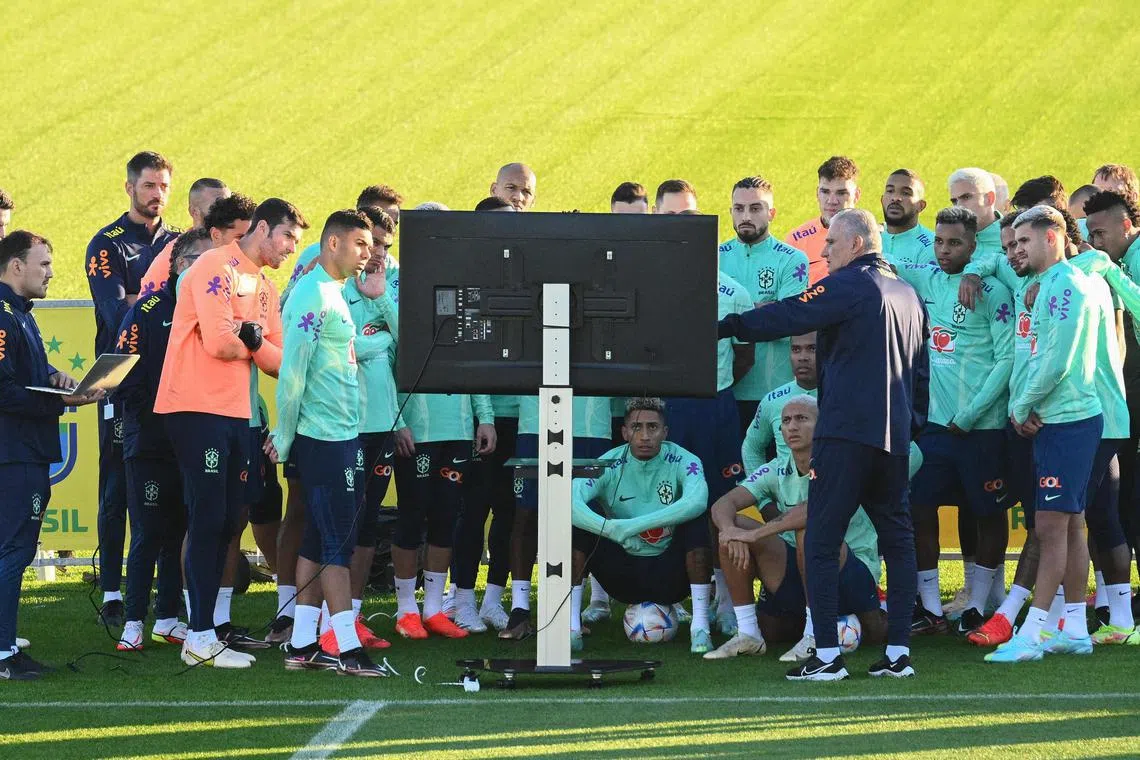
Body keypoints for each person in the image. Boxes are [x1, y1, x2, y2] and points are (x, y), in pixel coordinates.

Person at [720, 208, 928, 681]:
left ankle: (828, 655)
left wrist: (732, 326)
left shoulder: (850, 284)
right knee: (898, 542)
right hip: (892, 439)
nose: (824, 251)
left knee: (819, 538)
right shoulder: (910, 296)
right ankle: (898, 654)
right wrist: (910, 426)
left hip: (846, 435)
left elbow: (793, 311)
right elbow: (921, 375)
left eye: (831, 243)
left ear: (856, 244)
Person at [155, 198, 301, 668]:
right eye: (287, 239)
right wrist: (256, 343)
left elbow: (282, 362)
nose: (290, 250)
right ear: (261, 229)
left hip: (238, 413)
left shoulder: (265, 285)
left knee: (228, 520)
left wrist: (252, 338)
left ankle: (208, 629)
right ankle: (197, 635)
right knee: (208, 518)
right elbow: (218, 343)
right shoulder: (213, 267)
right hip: (195, 407)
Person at [986, 205, 1107, 662]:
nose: (1017, 250)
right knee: (1072, 524)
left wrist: (1021, 404)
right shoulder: (1054, 284)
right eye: (1014, 243)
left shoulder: (1066, 287)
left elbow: (1056, 360)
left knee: (1050, 527)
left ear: (1052, 238)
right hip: (1061, 420)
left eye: (1024, 242)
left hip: (1068, 422)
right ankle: (1074, 627)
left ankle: (1033, 633)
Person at [267, 210, 386, 676]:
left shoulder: (334, 293)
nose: (369, 254)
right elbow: (292, 374)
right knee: (338, 543)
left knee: (318, 542)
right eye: (360, 244)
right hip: (323, 438)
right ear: (332, 244)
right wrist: (285, 437)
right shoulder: (313, 296)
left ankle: (302, 644)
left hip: (341, 434)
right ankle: (348, 649)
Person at [707, 397, 910, 662]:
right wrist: (729, 532)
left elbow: (814, 510)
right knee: (734, 525)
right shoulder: (777, 467)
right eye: (786, 421)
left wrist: (754, 534)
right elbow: (724, 503)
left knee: (813, 532)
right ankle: (749, 634)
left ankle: (816, 633)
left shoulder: (842, 463)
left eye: (802, 419)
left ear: (822, 424)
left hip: (852, 568)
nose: (792, 426)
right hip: (803, 566)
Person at [894, 207, 1014, 636]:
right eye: (940, 242)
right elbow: (888, 260)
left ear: (973, 245)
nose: (945, 250)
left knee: (986, 514)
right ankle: (928, 606)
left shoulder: (993, 292)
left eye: (955, 243)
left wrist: (970, 414)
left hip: (981, 428)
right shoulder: (927, 278)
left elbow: (1007, 359)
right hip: (935, 429)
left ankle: (978, 603)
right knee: (920, 509)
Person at [1, 231, 104, 680]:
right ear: (16, 266)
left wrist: (55, 376)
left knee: (15, 550)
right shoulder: (4, 316)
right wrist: (61, 401)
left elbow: (24, 372)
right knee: (14, 551)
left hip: (25, 450)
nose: (50, 272)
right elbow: (3, 389)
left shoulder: (19, 313)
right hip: (15, 454)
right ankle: (4, 652)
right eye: (42, 264)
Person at [85, 151, 180, 627]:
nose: (157, 194)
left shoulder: (179, 241)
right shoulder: (107, 243)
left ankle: (165, 596)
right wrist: (149, 303)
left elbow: (161, 307)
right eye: (148, 185)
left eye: (163, 185)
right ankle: (110, 591)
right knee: (116, 488)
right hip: (120, 383)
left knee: (166, 490)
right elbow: (115, 312)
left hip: (173, 383)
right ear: (129, 188)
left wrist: (138, 297)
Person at [113, 229, 212, 651]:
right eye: (198, 260)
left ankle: (168, 617)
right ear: (179, 263)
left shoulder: (213, 309)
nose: (206, 269)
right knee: (149, 531)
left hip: (190, 440)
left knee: (180, 530)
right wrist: (158, 412)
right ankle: (133, 621)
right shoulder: (148, 310)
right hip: (151, 442)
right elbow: (122, 375)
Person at [570, 398, 712, 653]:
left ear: (665, 432)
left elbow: (697, 500)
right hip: (623, 573)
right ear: (624, 432)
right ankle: (571, 627)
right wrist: (611, 529)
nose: (645, 435)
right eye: (636, 427)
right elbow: (571, 501)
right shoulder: (608, 462)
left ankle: (700, 627)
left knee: (698, 521)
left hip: (672, 573)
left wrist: (633, 525)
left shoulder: (684, 459)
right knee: (579, 528)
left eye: (652, 427)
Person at [717, 177, 809, 439]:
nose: (746, 216)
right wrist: (763, 309)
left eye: (755, 208)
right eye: (739, 208)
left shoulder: (792, 260)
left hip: (775, 393)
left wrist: (731, 312)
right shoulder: (715, 256)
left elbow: (787, 321)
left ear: (771, 213)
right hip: (726, 391)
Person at [281, 184, 403, 304]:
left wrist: (382, 300)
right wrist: (303, 280)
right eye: (376, 215)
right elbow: (283, 305)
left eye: (395, 223)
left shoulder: (390, 267)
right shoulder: (317, 254)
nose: (388, 226)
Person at [139, 178, 229, 295]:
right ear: (194, 212)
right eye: (216, 208)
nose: (226, 214)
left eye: (228, 207)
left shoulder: (237, 246)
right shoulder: (170, 257)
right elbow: (145, 308)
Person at [742, 332, 818, 471]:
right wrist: (760, 487)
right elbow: (752, 448)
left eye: (812, 349)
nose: (802, 357)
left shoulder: (845, 397)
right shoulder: (773, 400)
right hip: (786, 491)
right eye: (796, 349)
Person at [785, 156, 861, 285]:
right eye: (825, 192)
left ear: (856, 195)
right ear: (817, 194)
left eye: (841, 193)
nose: (832, 201)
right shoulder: (796, 240)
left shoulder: (872, 237)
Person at [880, 169, 935, 267]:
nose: (896, 198)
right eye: (890, 191)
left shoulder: (931, 246)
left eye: (906, 193)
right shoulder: (868, 237)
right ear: (882, 200)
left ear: (921, 206)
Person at [948, 168, 1002, 256]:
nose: (958, 206)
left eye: (966, 197)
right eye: (954, 201)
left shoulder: (1014, 237)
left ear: (989, 198)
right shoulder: (948, 239)